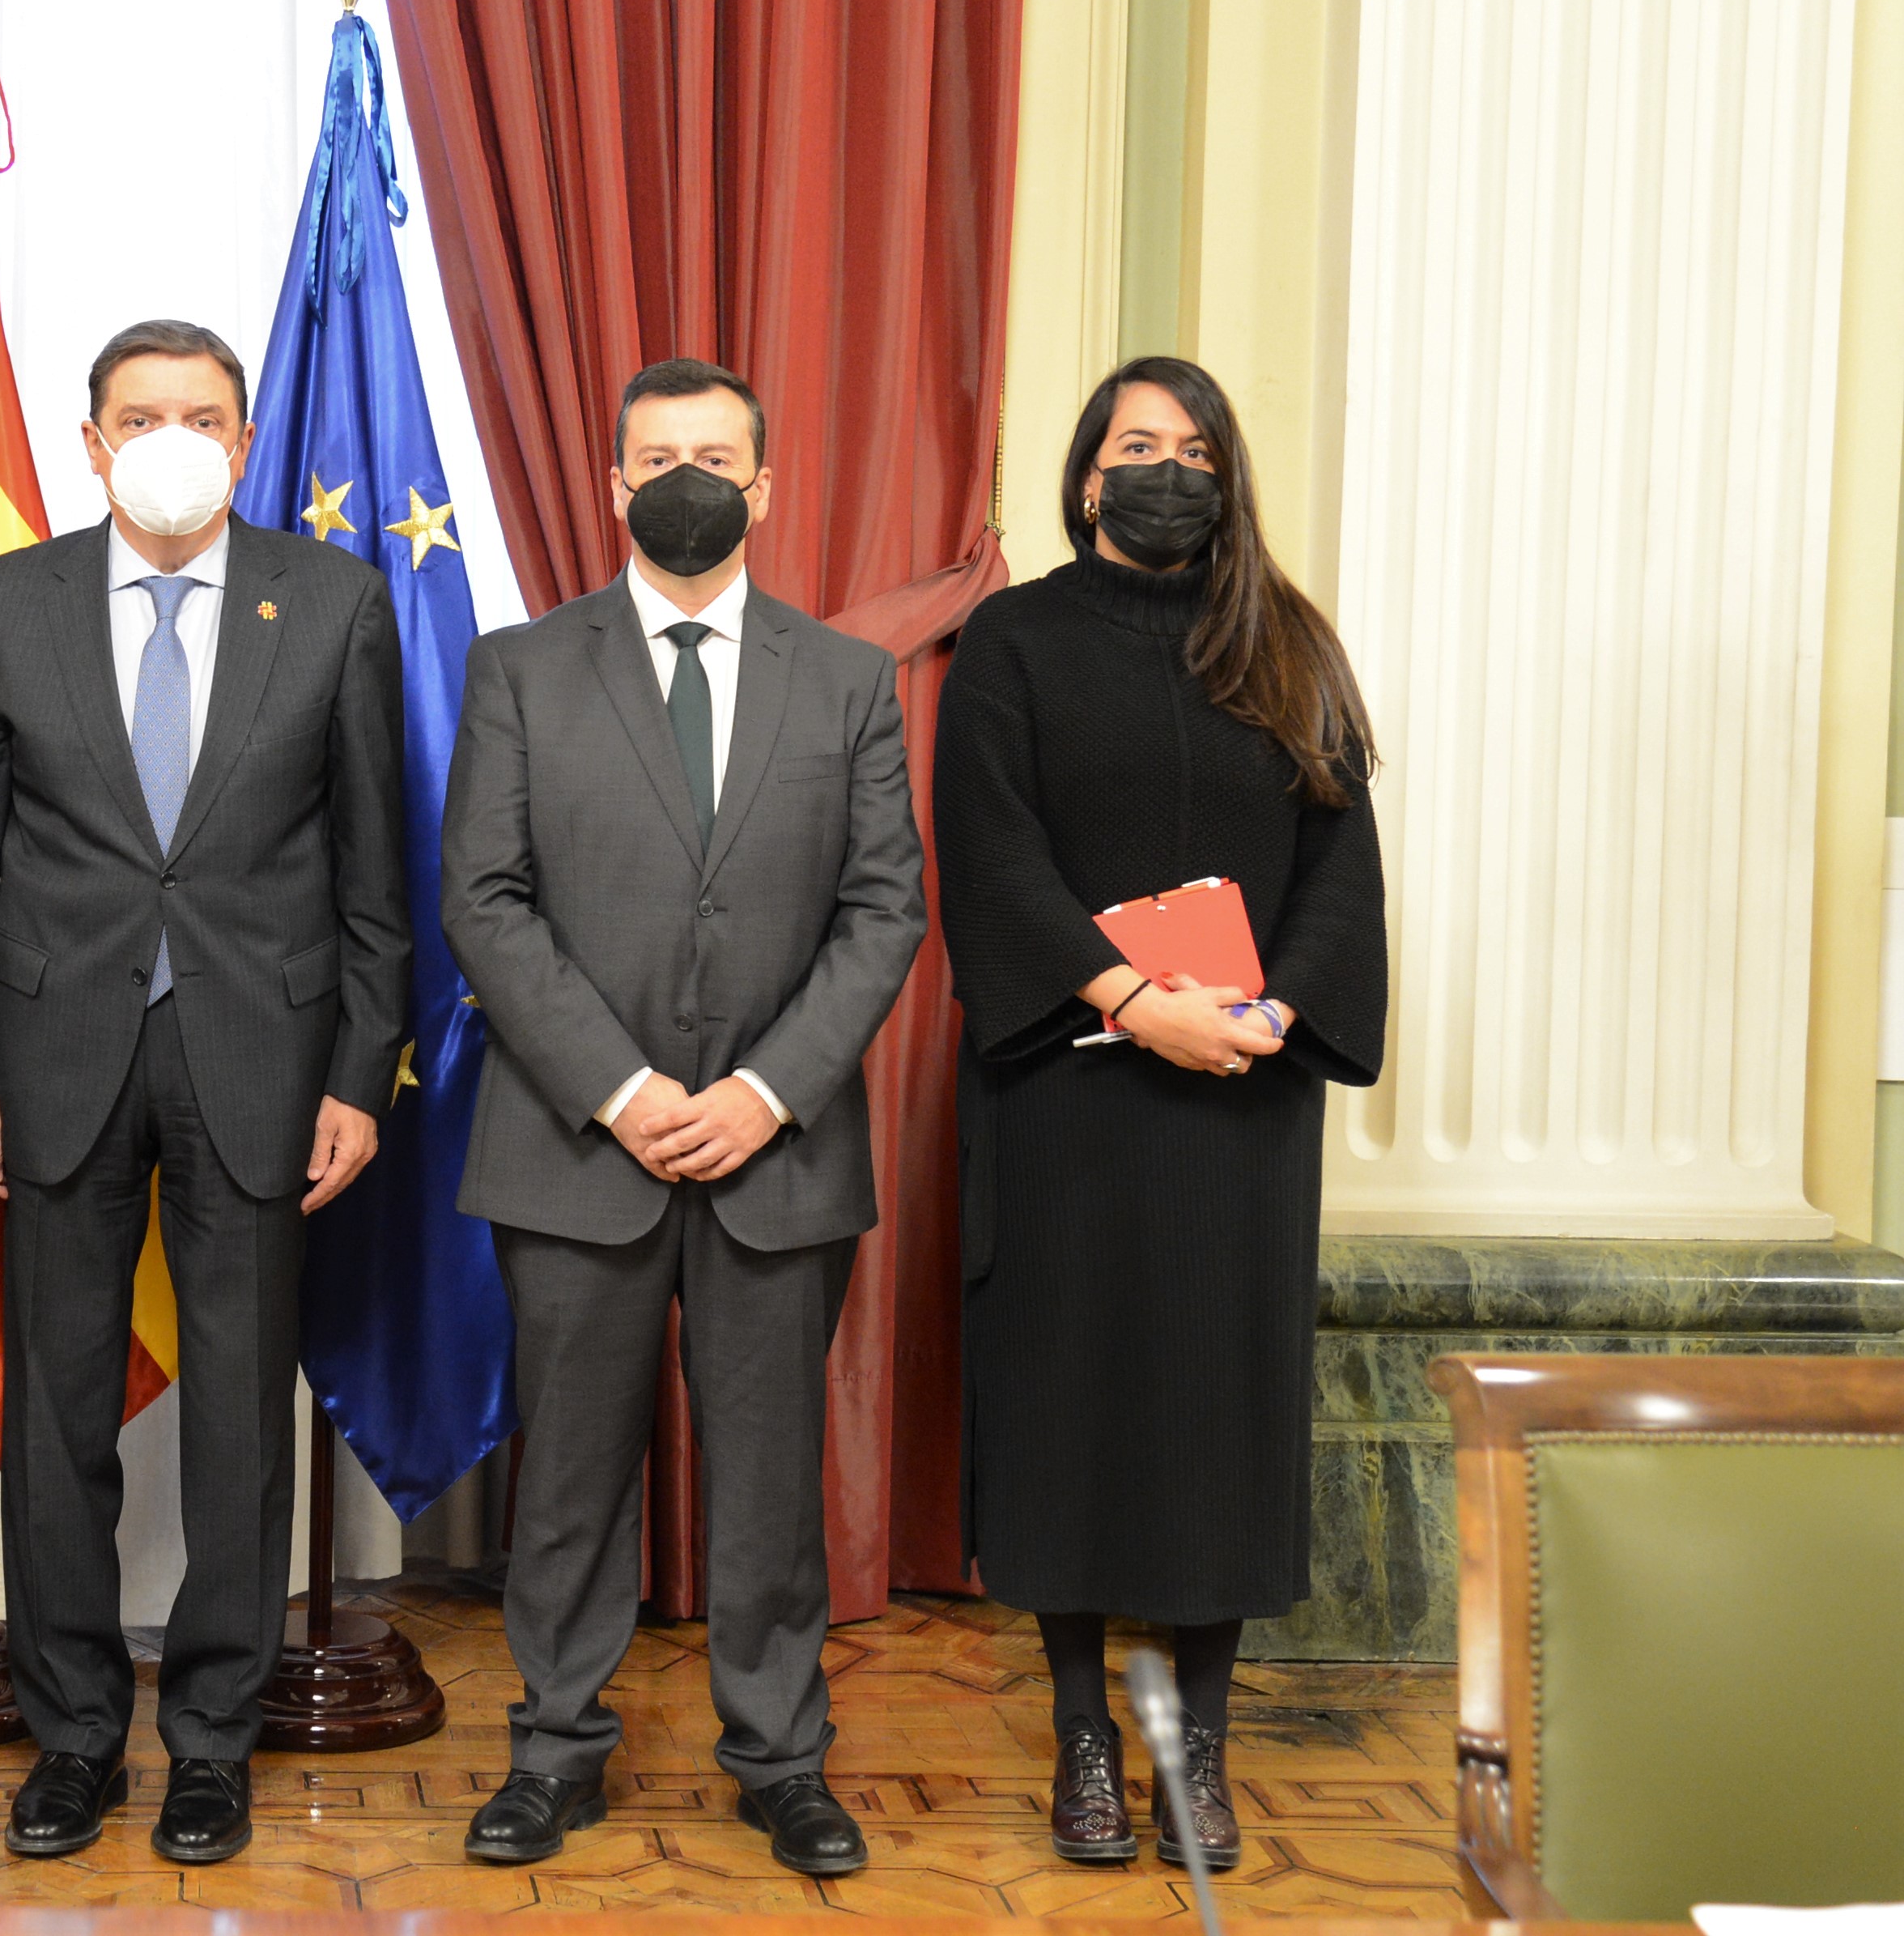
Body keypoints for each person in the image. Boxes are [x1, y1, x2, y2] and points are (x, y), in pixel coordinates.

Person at [0, 317, 408, 1865]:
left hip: (260, 1060)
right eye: (142, 417)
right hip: (55, 1060)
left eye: (203, 415)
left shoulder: (331, 601)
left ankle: (211, 1740)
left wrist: (359, 1076)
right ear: (95, 444)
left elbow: (375, 877)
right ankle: (73, 1736)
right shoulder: (10, 600)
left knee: (241, 1425)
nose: (173, 440)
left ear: (244, 442)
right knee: (57, 1414)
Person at [440, 355, 925, 1875]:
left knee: (771, 1482)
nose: (686, 482)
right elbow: (484, 900)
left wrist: (767, 1095)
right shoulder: (522, 668)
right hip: (577, 1145)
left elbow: (885, 909)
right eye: (658, 460)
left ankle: (783, 1759)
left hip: (780, 1156)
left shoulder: (845, 678)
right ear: (614, 486)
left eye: (715, 458)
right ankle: (555, 1751)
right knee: (570, 1477)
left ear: (763, 486)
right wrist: (629, 1089)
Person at [934, 355, 1386, 1870]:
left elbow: (1341, 871)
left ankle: (1199, 1743)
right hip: (1067, 1091)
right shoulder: (1013, 640)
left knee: (1217, 1417)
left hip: (1240, 1106)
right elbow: (991, 855)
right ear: (1087, 477)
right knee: (1067, 1408)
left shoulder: (1290, 644)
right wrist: (1136, 1001)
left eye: (1196, 452)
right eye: (1140, 445)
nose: (1168, 472)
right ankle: (1083, 1734)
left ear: (1227, 479)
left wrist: (1271, 1013)